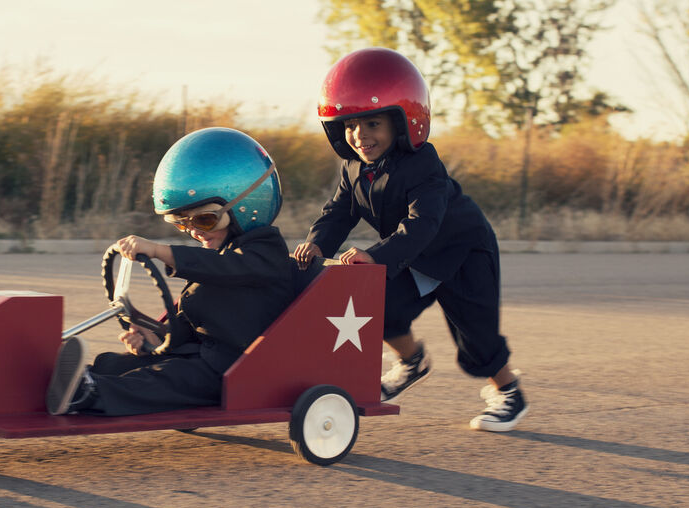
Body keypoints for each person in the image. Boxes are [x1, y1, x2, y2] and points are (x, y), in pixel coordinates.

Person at [291, 47, 528, 432]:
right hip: (413, 257)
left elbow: (423, 224)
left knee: (476, 335)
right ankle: (412, 361)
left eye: (372, 125)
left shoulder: (423, 165)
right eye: (351, 126)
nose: (360, 136)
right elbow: (338, 212)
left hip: (461, 253)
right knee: (376, 310)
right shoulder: (354, 168)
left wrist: (376, 256)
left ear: (403, 124)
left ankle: (508, 391)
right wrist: (317, 245)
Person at [47, 127, 294, 416]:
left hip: (233, 370)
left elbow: (227, 269)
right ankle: (77, 380)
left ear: (246, 207)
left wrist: (160, 250)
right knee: (116, 364)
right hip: (199, 356)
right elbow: (193, 324)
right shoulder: (220, 254)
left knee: (164, 379)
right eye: (183, 224)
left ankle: (87, 393)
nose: (195, 233)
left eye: (204, 220)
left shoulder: (265, 254)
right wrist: (156, 337)